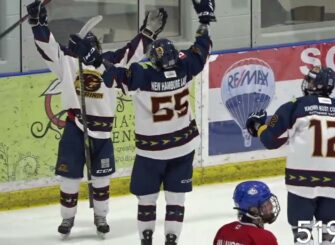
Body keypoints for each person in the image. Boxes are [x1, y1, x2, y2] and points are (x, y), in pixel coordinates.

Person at [71, 0, 215, 244]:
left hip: (152, 152)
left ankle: (146, 240)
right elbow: (202, 46)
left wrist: (93, 59)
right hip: (184, 147)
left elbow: (112, 77)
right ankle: (171, 240)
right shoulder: (186, 66)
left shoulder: (143, 75)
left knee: (147, 200)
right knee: (176, 199)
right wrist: (203, 21)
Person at [26, 0, 167, 238]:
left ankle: (100, 216)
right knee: (69, 178)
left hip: (102, 133)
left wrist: (148, 33)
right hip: (75, 128)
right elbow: (47, 47)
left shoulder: (110, 62)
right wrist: (37, 24)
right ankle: (67, 218)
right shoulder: (68, 62)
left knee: (101, 178)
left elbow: (133, 50)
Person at [246, 66, 335, 244]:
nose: (307, 82)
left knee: (302, 233)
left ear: (316, 85)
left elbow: (270, 140)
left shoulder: (295, 106)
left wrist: (257, 125)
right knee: (330, 233)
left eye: (311, 80)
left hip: (302, 180)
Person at [213, 180, 280, 245]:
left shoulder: (224, 231)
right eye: (267, 204)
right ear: (253, 210)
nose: (271, 206)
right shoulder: (265, 238)